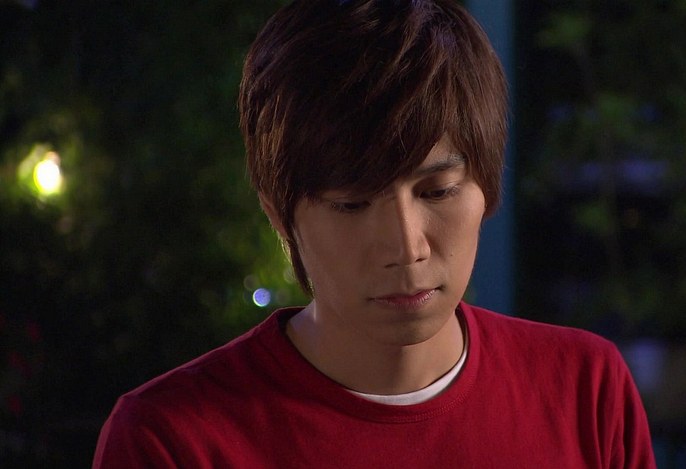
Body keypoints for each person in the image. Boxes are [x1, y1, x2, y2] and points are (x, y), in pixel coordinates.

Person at [93, 0, 656, 467]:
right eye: (352, 204)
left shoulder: (583, 390)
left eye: (438, 191)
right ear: (279, 214)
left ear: (487, 185)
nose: (406, 248)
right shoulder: (172, 441)